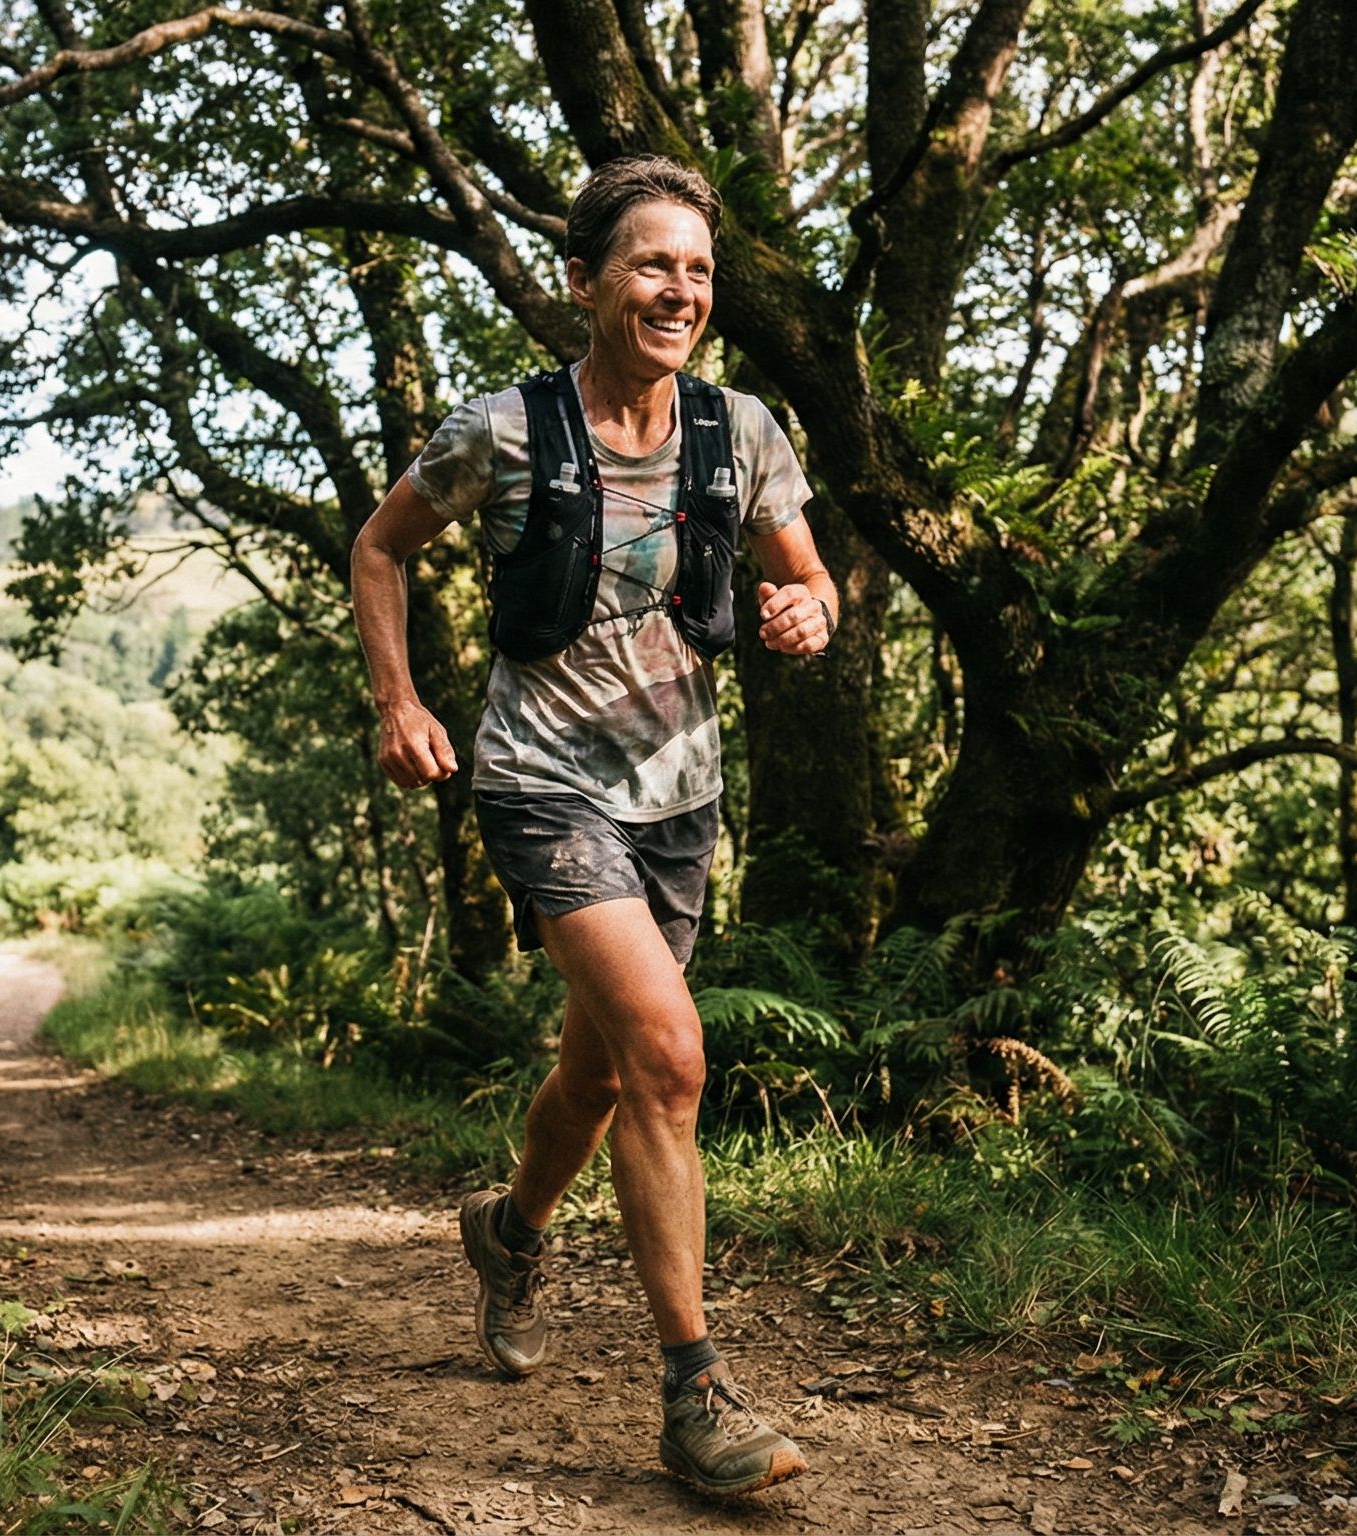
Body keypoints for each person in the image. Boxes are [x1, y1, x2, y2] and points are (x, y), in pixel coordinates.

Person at [348, 154, 836, 1497]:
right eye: (651, 263)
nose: (680, 288)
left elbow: (808, 582)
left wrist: (811, 610)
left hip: (679, 797)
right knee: (672, 1056)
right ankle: (696, 1395)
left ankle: (507, 1229)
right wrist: (399, 702)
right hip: (540, 779)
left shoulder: (744, 435)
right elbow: (379, 548)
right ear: (585, 281)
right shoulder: (500, 433)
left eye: (698, 269)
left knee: (608, 1074)